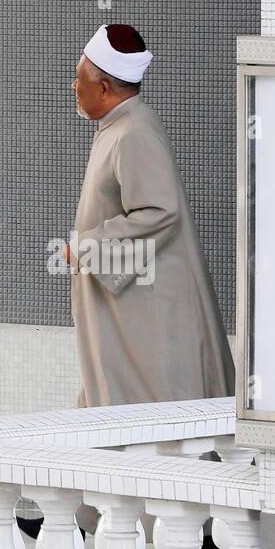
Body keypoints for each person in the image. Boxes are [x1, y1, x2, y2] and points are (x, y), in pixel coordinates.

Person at [67, 23, 235, 406]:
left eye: (79, 80)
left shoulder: (133, 133)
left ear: (104, 88)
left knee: (155, 406)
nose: (74, 88)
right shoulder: (121, 126)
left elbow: (160, 211)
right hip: (132, 300)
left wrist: (85, 247)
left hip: (147, 305)